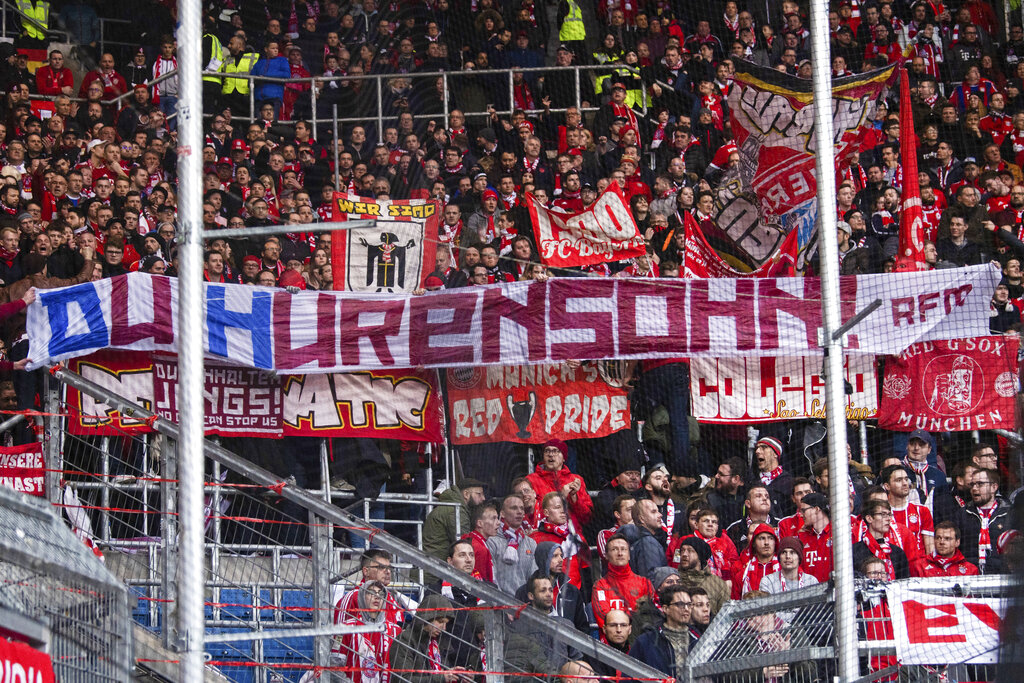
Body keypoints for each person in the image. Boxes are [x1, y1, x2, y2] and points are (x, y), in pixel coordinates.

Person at [388, 594, 471, 683]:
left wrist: (456, 676)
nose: (444, 628)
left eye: (446, 623)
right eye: (440, 622)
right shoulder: (404, 641)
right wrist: (442, 678)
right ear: (427, 617)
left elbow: (440, 674)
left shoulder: (438, 641)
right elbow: (402, 680)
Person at [508, 574, 580, 672]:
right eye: (543, 590)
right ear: (531, 596)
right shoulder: (518, 626)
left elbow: (576, 659)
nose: (549, 594)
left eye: (550, 590)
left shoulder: (566, 624)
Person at [331, 580, 393, 683]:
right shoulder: (346, 628)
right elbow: (334, 665)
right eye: (371, 593)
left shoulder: (394, 630)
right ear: (362, 597)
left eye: (381, 593)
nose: (377, 597)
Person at [591, 534, 656, 630]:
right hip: (609, 642)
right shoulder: (600, 586)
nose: (620, 553)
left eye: (623, 549)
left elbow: (651, 615)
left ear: (629, 555)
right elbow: (602, 618)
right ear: (607, 556)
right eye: (614, 549)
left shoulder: (644, 583)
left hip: (639, 638)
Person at [629, 585, 695, 679]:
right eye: (680, 604)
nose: (686, 609)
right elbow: (629, 676)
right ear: (666, 609)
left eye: (689, 604)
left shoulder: (698, 640)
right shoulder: (646, 642)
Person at [956, 467, 1013, 573]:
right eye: (972, 484)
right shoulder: (962, 514)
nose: (974, 488)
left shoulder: (1009, 514)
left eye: (980, 484)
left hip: (1002, 577)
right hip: (970, 576)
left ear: (994, 487)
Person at [526, 439, 593, 528]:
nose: (550, 455)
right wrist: (562, 496)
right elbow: (527, 515)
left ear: (564, 458)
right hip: (542, 533)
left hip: (571, 535)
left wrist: (574, 498)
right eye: (547, 451)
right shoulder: (531, 480)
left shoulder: (576, 480)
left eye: (555, 451)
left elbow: (586, 519)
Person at [423, 479, 487, 561]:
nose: (483, 498)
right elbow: (464, 545)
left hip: (434, 565)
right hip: (435, 568)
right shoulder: (456, 511)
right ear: (466, 494)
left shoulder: (454, 507)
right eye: (479, 494)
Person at [487, 494, 538, 595]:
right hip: (501, 605)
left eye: (522, 508)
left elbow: (533, 579)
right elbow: (491, 578)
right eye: (514, 508)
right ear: (502, 513)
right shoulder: (491, 541)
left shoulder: (531, 543)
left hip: (525, 606)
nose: (519, 512)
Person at [853, 500, 910, 580]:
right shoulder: (854, 551)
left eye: (889, 515)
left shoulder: (897, 553)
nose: (888, 519)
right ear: (869, 518)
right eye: (883, 514)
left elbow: (904, 585)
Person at [673, 535, 730, 616]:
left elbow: (725, 616)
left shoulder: (717, 584)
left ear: (700, 556)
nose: (684, 554)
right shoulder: (674, 580)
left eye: (690, 550)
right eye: (682, 550)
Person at [730, 524, 780, 599]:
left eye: (770, 538)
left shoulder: (786, 570)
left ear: (775, 542)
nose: (766, 542)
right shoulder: (742, 575)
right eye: (761, 538)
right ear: (753, 543)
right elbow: (735, 604)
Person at [795, 492, 834, 583]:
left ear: (816, 509)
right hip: (810, 593)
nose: (801, 515)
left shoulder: (838, 534)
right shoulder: (802, 537)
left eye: (804, 510)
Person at [753, 436, 795, 515]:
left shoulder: (789, 483)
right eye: (757, 448)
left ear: (775, 454)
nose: (757, 451)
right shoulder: (752, 482)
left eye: (764, 447)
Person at [462, 500, 499, 582]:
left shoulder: (471, 539)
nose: (498, 523)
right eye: (493, 518)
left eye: (497, 518)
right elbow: (479, 583)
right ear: (480, 523)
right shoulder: (478, 548)